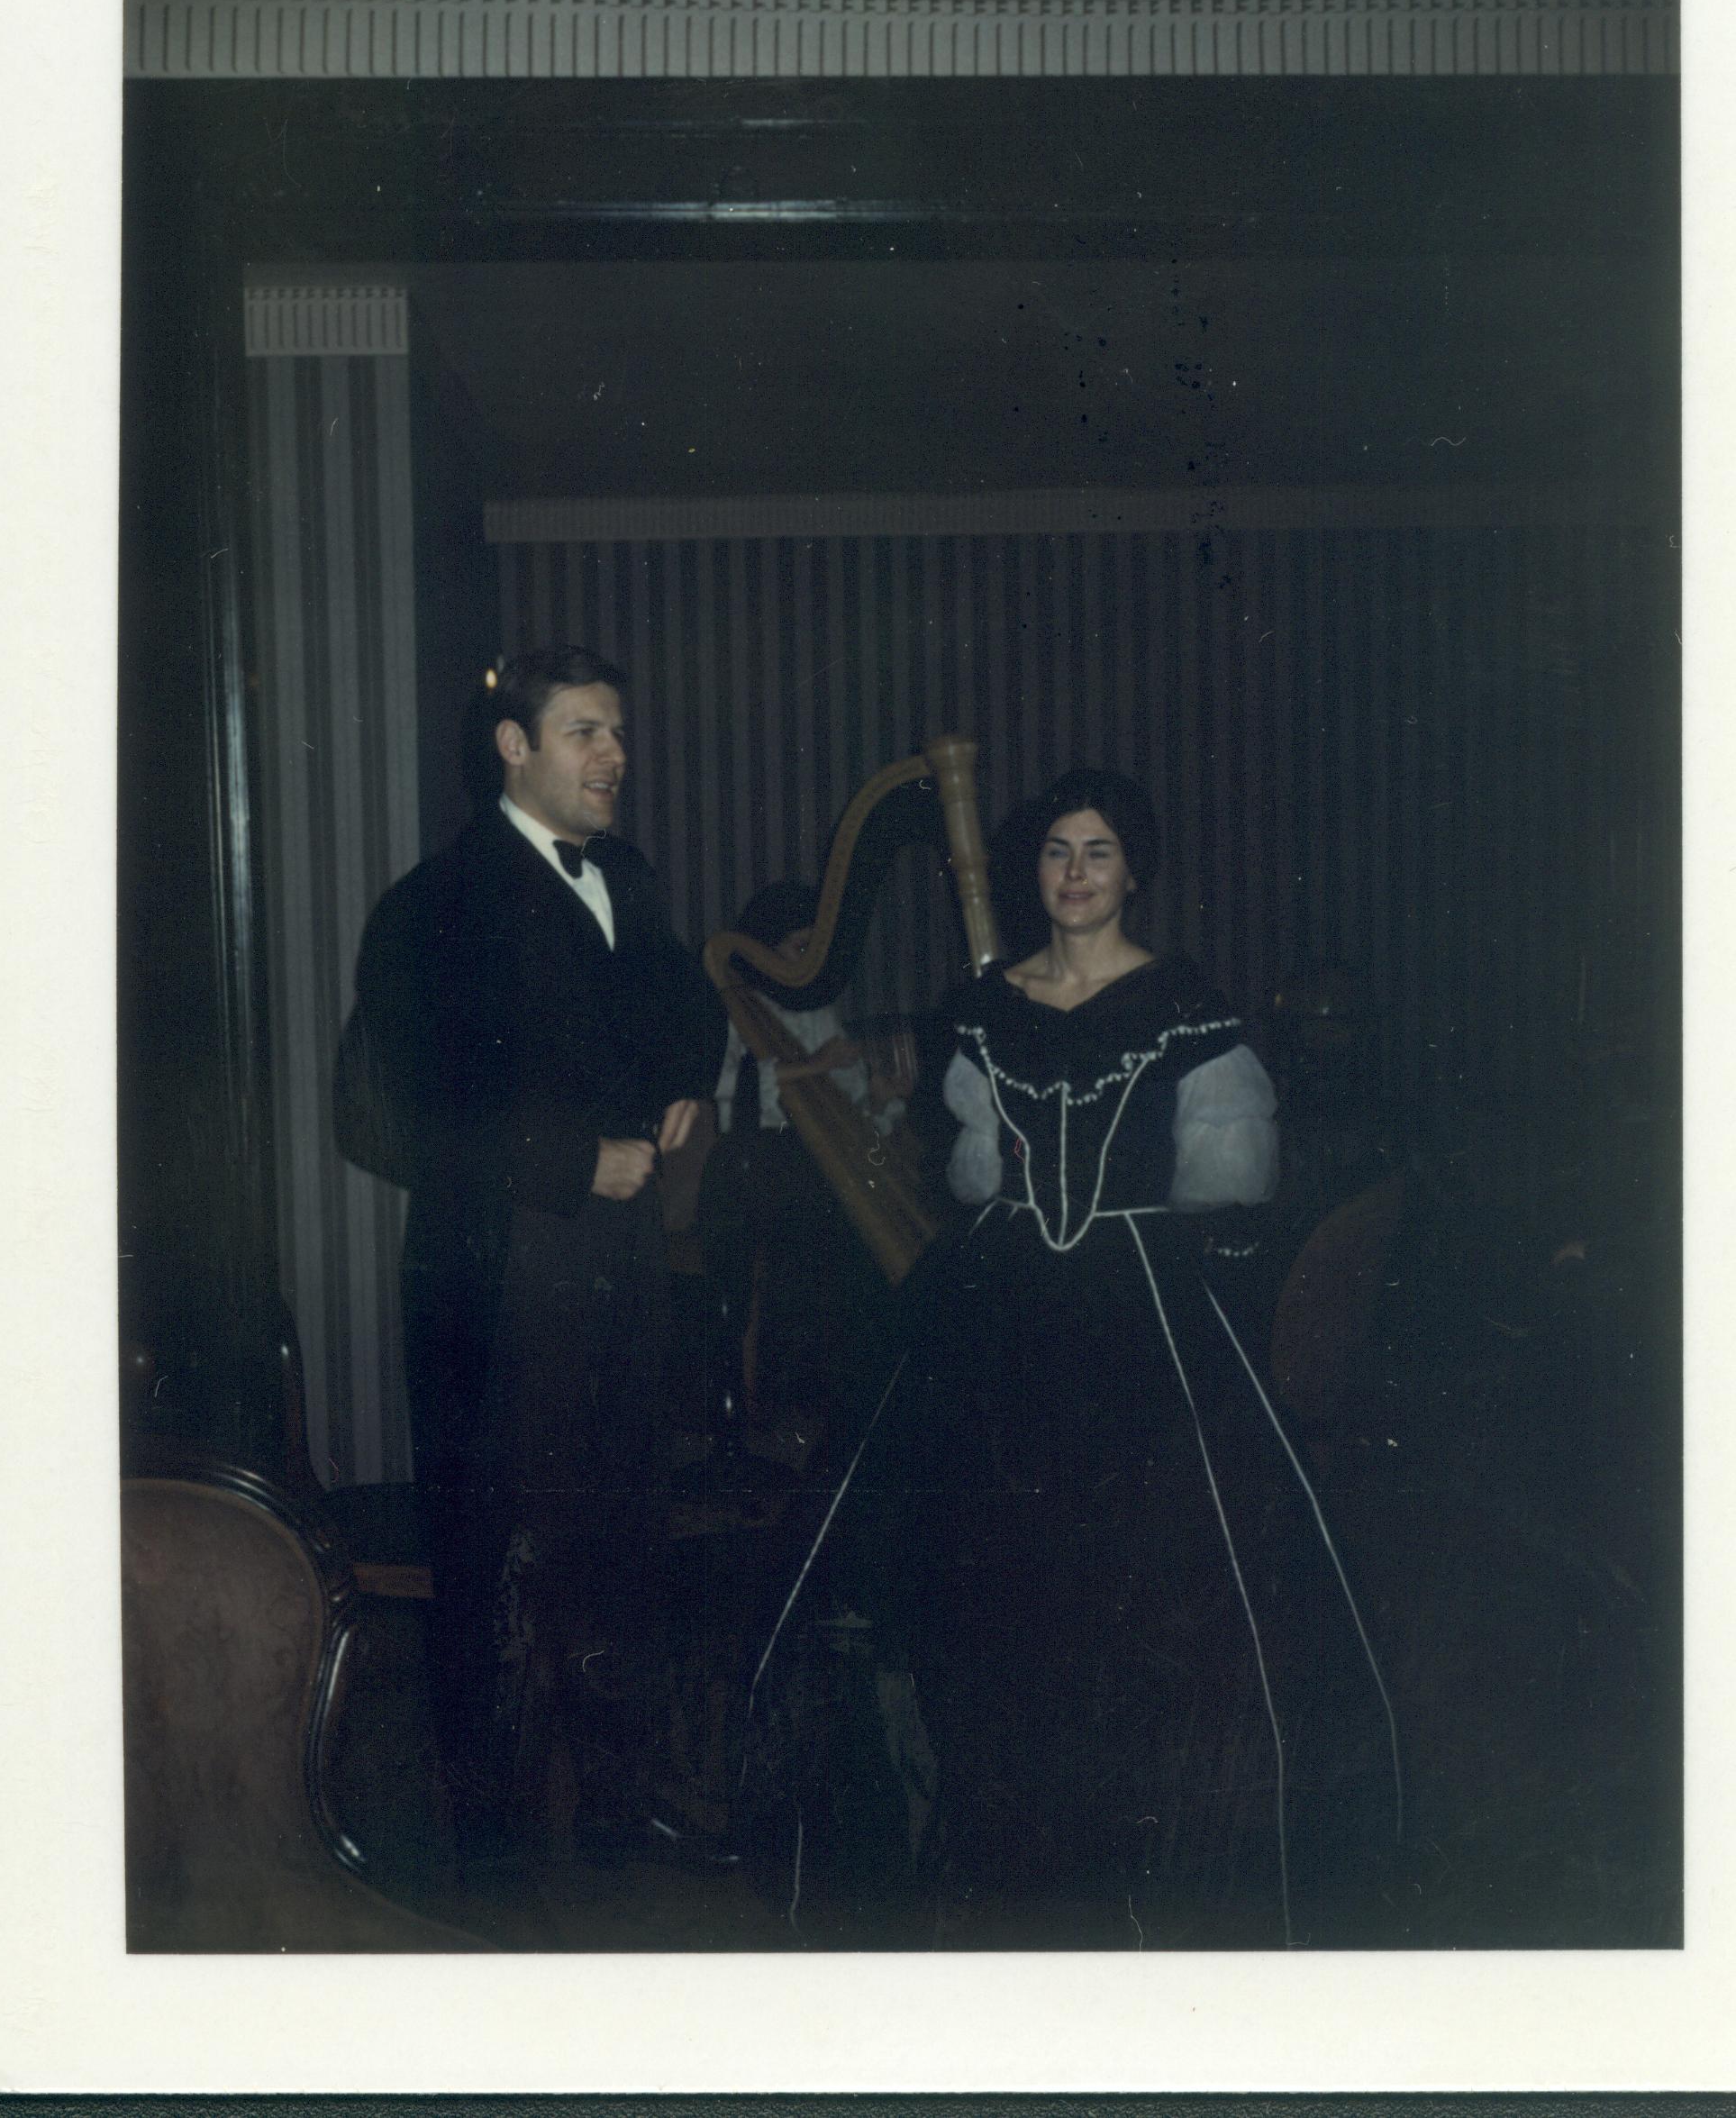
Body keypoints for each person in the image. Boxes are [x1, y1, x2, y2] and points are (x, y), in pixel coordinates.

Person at [759, 768, 1402, 1950]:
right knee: (985, 1562)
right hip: (996, 1305)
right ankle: (992, 1808)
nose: (1072, 874)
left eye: (1096, 852)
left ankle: (1121, 1823)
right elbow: (974, 1176)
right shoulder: (985, 1003)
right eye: (1055, 852)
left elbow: (1223, 1179)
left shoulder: (1180, 1003)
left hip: (1134, 1307)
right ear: (1032, 872)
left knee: (1132, 1569)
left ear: (1130, 870)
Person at [339, 647, 731, 1899]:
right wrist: (568, 1161)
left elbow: (686, 1008)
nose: (614, 758)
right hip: (501, 1269)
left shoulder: (627, 875)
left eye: (617, 733)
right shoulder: (433, 904)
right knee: (500, 1555)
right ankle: (493, 1855)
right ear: (513, 748)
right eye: (584, 734)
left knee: (621, 1532)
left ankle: (624, 1809)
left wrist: (685, 1079)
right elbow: (377, 1114)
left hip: (621, 1267)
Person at [701, 882, 906, 1445]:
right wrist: (812, 1066)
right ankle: (782, 1403)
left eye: (814, 950)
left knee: (860, 1232)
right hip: (750, 1157)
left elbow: (845, 1097)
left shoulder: (817, 1006)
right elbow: (725, 1085)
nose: (804, 963)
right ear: (765, 948)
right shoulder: (733, 1003)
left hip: (812, 1157)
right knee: (814, 1232)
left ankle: (848, 1398)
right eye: (797, 948)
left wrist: (879, 1097)